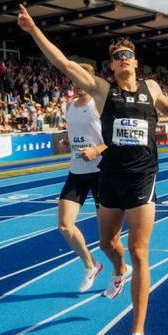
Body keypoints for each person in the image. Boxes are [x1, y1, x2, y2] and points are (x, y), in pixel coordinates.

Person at [17, 4, 168, 335]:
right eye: (117, 56)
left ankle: (137, 333)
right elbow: (64, 65)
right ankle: (117, 271)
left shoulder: (151, 86)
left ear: (136, 61)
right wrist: (34, 29)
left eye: (128, 54)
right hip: (109, 177)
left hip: (143, 178)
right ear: (111, 65)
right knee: (106, 243)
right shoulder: (102, 91)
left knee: (140, 252)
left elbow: (165, 105)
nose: (124, 58)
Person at [58, 63, 106, 293]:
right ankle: (90, 265)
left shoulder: (99, 104)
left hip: (100, 172)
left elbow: (115, 139)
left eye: (81, 79)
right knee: (65, 226)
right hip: (76, 171)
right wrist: (69, 141)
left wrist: (97, 150)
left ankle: (118, 269)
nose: (76, 84)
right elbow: (76, 132)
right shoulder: (70, 106)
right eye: (73, 79)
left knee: (106, 233)